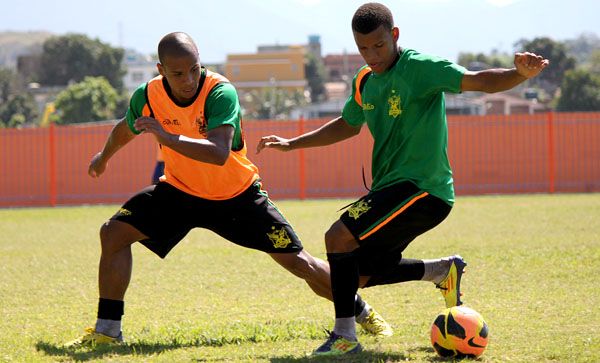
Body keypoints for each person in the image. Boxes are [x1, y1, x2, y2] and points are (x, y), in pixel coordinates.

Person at [65, 31, 392, 348]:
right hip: (180, 192)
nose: (189, 79)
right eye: (178, 73)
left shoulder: (220, 92)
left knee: (299, 263)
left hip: (237, 197)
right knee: (113, 233)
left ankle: (361, 310)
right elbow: (126, 127)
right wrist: (103, 156)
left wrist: (166, 138)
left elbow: (219, 153)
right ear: (161, 70)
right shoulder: (148, 95)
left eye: (194, 69)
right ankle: (108, 329)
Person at [257, 2, 549, 356]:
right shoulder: (364, 80)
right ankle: (441, 270)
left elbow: (480, 82)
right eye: (363, 48)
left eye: (378, 46)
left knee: (338, 236)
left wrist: (519, 74)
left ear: (394, 35)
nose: (371, 56)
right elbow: (349, 124)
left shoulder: (420, 68)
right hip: (393, 190)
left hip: (423, 187)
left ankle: (345, 335)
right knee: (356, 275)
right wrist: (293, 143)